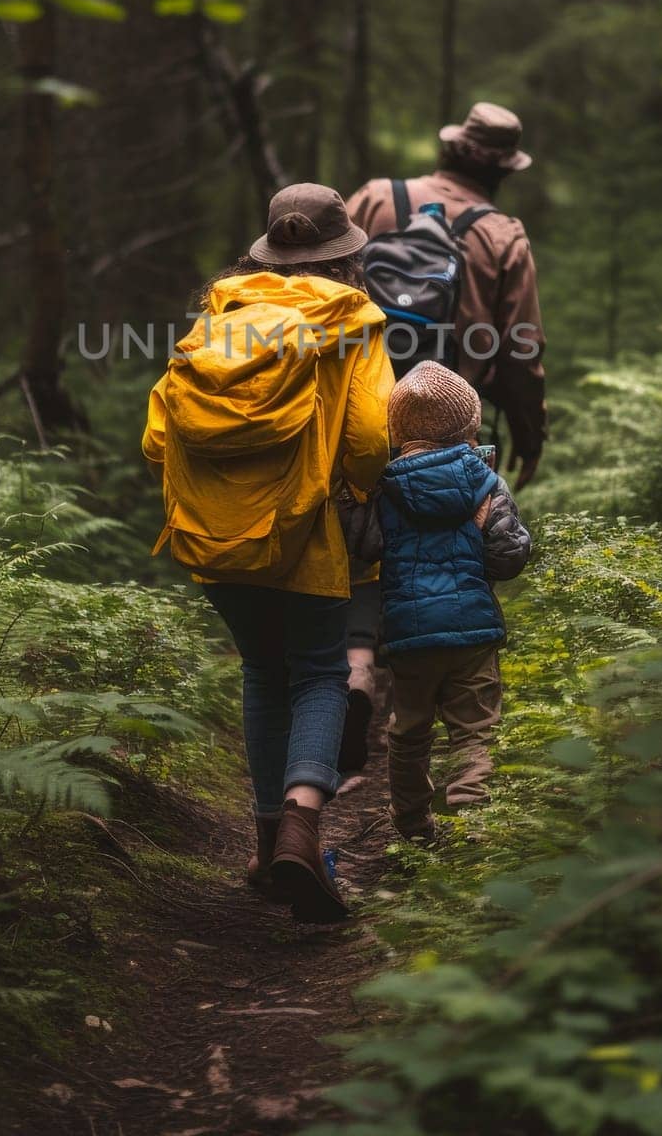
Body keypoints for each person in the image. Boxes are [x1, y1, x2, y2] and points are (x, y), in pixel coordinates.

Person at [142, 183, 393, 923]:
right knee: (319, 672)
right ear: (343, 254)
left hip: (210, 531)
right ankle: (300, 832)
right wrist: (354, 490)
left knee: (262, 671)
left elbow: (157, 436)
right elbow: (370, 441)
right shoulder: (351, 322)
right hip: (305, 531)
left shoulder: (219, 313)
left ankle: (262, 848)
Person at [340, 100, 545, 767]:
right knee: (446, 532)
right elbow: (520, 348)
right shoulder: (502, 234)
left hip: (361, 404)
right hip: (451, 418)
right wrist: (525, 429)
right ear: (503, 169)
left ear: (449, 148)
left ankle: (355, 668)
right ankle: (445, 665)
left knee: (367, 525)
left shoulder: (374, 199)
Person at [378, 361, 531, 843]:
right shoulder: (486, 484)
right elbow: (508, 558)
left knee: (409, 733)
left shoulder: (382, 488)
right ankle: (470, 819)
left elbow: (362, 550)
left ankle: (414, 827)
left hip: (410, 635)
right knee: (474, 730)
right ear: (469, 425)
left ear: (398, 429)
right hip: (474, 633)